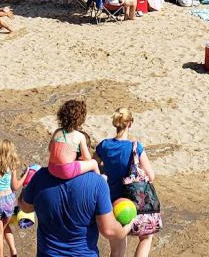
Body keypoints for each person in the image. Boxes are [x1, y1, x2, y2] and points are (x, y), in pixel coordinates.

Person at [17, 155, 129, 257]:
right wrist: (126, 228)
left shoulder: (40, 176)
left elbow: (26, 208)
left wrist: (27, 186)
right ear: (82, 157)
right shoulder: (97, 182)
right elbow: (109, 230)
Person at [95, 108, 161, 257]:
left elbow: (94, 167)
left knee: (117, 250)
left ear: (115, 124)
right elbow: (151, 175)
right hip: (136, 201)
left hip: (113, 202)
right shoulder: (135, 147)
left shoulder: (104, 145)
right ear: (130, 124)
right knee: (146, 238)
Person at [48, 99, 101, 180]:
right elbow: (87, 158)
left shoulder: (57, 132)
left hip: (51, 168)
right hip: (66, 171)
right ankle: (99, 182)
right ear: (80, 120)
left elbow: (50, 149)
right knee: (93, 163)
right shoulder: (79, 136)